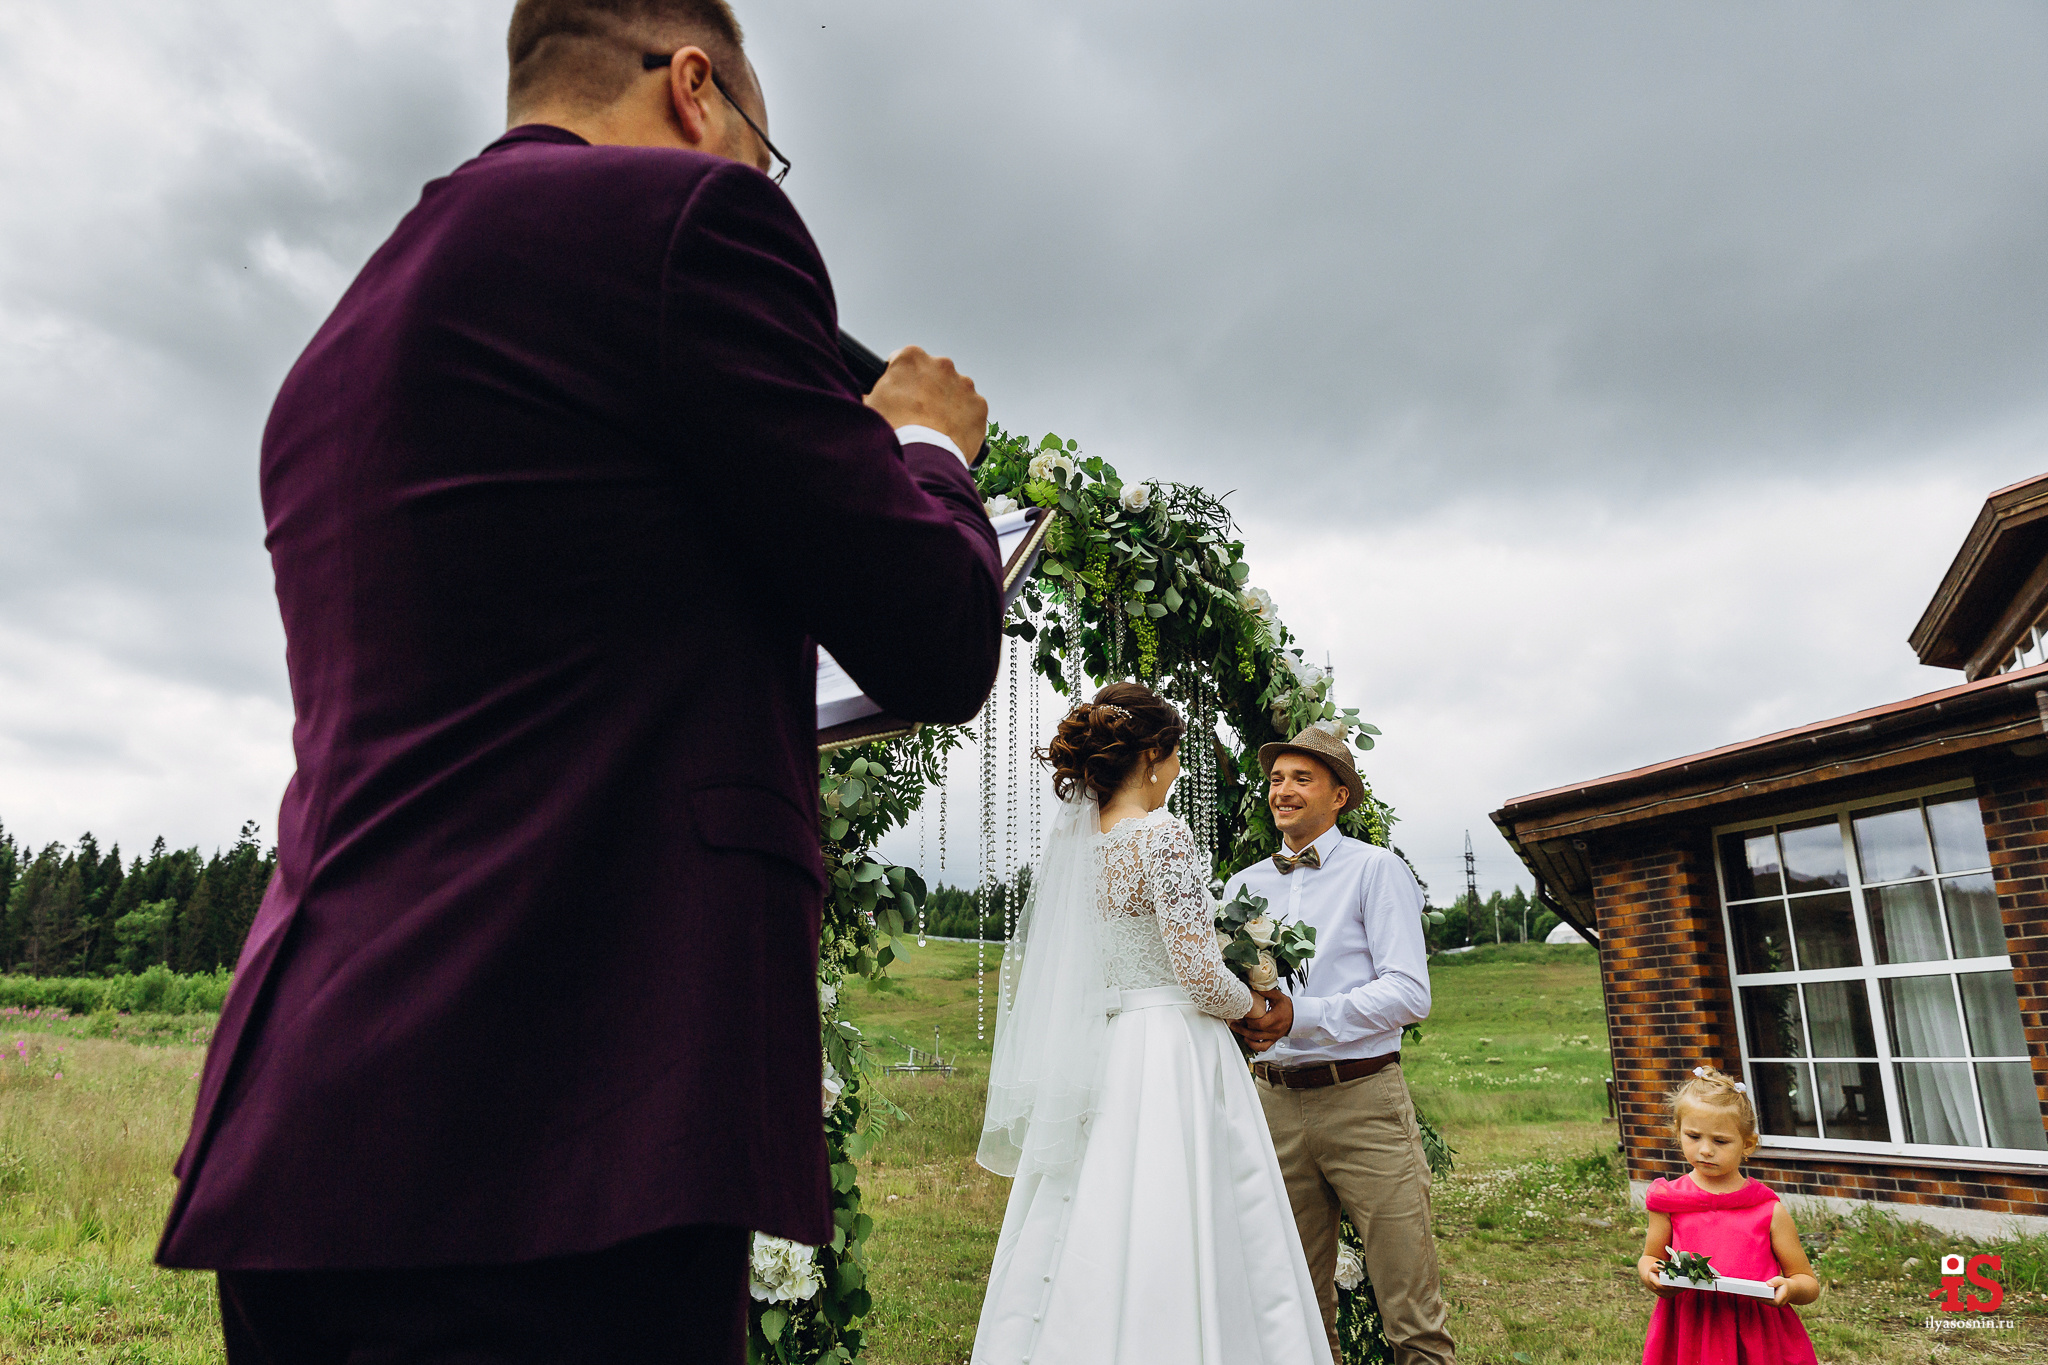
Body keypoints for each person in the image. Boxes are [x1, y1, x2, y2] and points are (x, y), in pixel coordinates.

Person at [154, 2, 1004, 1361]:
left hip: (301, 1138)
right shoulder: (690, 228)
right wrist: (922, 447)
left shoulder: (330, 353)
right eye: (763, 149)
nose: (757, 185)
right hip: (560, 1131)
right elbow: (938, 637)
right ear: (693, 87)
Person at [972, 683, 1332, 1365]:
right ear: (1152, 756)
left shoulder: (1082, 845)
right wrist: (1256, 1005)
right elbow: (1196, 972)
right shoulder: (1161, 834)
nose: (1176, 772)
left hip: (1104, 1043)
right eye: (1173, 756)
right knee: (1185, 1207)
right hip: (1170, 1047)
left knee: (1089, 1210)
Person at [1228, 723, 1454, 1365]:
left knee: (1409, 1302)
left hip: (1363, 1101)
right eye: (1275, 779)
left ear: (1340, 797)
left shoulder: (1376, 871)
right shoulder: (1243, 888)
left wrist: (1301, 1014)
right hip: (1270, 1106)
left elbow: (1410, 993)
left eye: (1302, 778)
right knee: (1294, 1304)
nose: (1283, 790)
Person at [1634, 1067, 1820, 1365]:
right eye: (1693, 1136)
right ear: (1677, 1132)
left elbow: (1807, 1282)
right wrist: (1652, 1276)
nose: (1705, 1150)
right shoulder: (1669, 1200)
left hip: (1756, 1334)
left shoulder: (1767, 1209)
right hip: (1690, 1327)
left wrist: (1790, 1288)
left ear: (1748, 1144)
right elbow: (1649, 1257)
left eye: (1720, 1141)